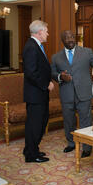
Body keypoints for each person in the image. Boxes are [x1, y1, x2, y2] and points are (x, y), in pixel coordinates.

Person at [51, 30, 93, 158]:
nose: (70, 40)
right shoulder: (56, 57)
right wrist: (60, 76)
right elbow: (52, 73)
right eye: (67, 38)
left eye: (72, 37)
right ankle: (71, 143)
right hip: (66, 93)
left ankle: (87, 147)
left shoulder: (86, 52)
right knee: (69, 121)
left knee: (85, 120)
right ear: (62, 40)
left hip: (84, 92)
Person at [23, 20, 55, 163]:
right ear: (40, 32)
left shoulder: (37, 46)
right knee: (35, 124)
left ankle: (31, 149)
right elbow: (31, 72)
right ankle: (31, 155)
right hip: (36, 94)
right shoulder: (31, 47)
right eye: (46, 31)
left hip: (39, 94)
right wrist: (46, 84)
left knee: (39, 123)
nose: (48, 33)